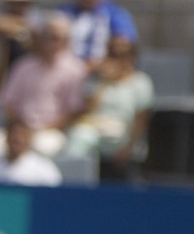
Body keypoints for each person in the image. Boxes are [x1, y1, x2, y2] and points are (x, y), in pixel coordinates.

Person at [0, 13, 87, 159]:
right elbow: (9, 104)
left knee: (44, 149)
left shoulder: (75, 70)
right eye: (47, 36)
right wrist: (20, 129)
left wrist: (42, 129)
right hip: (17, 130)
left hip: (49, 132)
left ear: (66, 42)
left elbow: (72, 112)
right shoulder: (23, 66)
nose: (50, 43)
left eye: (56, 38)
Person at [62, 37, 154, 177]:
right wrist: (104, 82)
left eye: (122, 55)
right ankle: (71, 182)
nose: (117, 60)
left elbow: (141, 120)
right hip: (95, 130)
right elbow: (87, 110)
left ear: (132, 58)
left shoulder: (141, 82)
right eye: (112, 54)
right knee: (79, 138)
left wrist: (128, 147)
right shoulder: (97, 80)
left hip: (123, 135)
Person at [59, 0, 138, 74]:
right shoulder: (64, 12)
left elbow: (125, 45)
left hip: (101, 72)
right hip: (65, 72)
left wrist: (99, 64)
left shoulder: (116, 14)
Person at [0, 120, 63, 187]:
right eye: (14, 137)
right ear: (7, 138)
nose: (18, 140)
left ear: (29, 139)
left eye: (22, 136)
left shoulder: (45, 169)